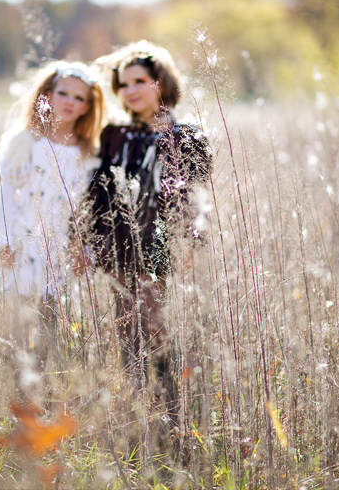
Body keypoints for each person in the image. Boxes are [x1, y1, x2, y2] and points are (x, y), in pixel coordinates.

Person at [83, 40, 212, 414]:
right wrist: (85, 240)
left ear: (161, 82)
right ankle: (140, 409)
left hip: (161, 247)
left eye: (140, 80)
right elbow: (96, 192)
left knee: (156, 327)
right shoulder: (114, 135)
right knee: (127, 329)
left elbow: (195, 197)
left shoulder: (186, 135)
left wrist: (188, 243)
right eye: (123, 84)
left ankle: (170, 409)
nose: (131, 90)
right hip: (118, 244)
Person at [0, 62, 105, 353]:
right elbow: (7, 195)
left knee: (51, 329)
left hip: (58, 249)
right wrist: (5, 242)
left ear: (86, 108)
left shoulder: (88, 153)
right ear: (47, 95)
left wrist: (83, 247)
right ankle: (16, 389)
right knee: (16, 327)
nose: (70, 101)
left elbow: (85, 209)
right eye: (63, 93)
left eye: (79, 98)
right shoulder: (25, 142)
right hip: (22, 243)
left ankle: (47, 390)